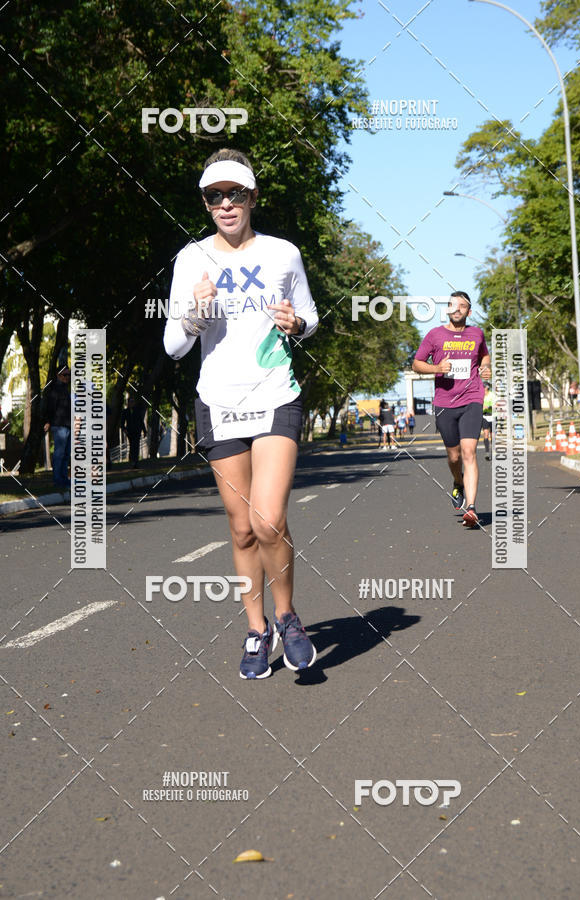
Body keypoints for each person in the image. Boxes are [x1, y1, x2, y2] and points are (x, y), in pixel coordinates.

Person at [163, 148, 319, 679]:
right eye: (214, 196)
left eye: (235, 194)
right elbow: (173, 347)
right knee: (242, 529)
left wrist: (296, 325)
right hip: (219, 402)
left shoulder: (283, 254)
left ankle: (288, 617)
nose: (225, 204)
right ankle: (257, 630)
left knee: (267, 519)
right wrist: (194, 315)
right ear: (206, 204)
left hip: (275, 393)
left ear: (252, 197)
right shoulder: (191, 260)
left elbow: (310, 317)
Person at [412, 291, 491, 527]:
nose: (457, 309)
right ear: (447, 309)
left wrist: (486, 367)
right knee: (454, 456)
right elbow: (416, 364)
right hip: (445, 402)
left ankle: (471, 508)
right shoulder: (434, 335)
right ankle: (458, 481)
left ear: (469, 311)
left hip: (472, 398)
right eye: (453, 305)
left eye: (462, 306)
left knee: (469, 452)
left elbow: (484, 356)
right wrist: (437, 368)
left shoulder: (477, 333)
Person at [43, 366, 72, 489]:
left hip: (68, 426)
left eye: (69, 375)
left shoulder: (66, 389)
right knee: (59, 454)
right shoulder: (54, 389)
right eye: (64, 375)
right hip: (59, 426)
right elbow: (50, 408)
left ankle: (64, 479)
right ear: (58, 375)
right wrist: (48, 421)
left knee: (66, 454)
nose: (67, 377)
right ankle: (57, 480)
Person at [121, 396, 147, 468]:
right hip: (129, 432)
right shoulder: (125, 411)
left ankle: (135, 462)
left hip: (137, 431)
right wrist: (124, 430)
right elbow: (122, 423)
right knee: (132, 446)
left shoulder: (137, 411)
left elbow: (141, 422)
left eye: (133, 402)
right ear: (128, 403)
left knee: (136, 446)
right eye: (130, 402)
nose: (132, 403)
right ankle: (132, 461)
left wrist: (144, 431)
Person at [482, 383, 494, 460]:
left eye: (483, 387)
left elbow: (497, 404)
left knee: (493, 435)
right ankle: (487, 452)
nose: (482, 388)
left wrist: (488, 407)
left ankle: (493, 451)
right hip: (484, 417)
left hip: (493, 416)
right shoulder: (481, 395)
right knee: (486, 434)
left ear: (487, 388)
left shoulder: (492, 395)